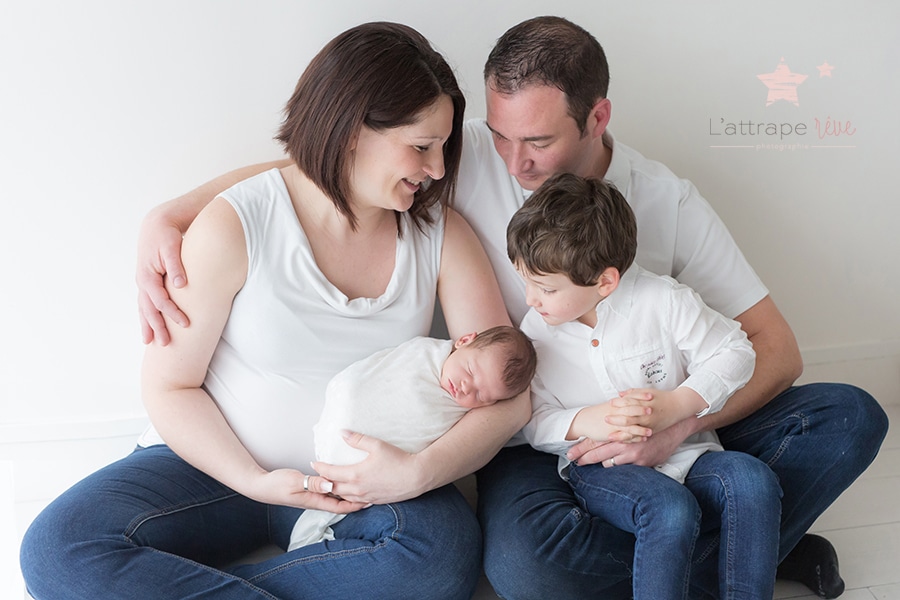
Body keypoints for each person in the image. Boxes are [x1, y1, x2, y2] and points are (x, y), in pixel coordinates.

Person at [128, 15, 888, 600]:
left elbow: (774, 348)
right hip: (545, 434)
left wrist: (678, 424)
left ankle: (717, 543)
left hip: (672, 415)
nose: (512, 162)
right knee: (523, 568)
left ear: (597, 119)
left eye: (537, 141)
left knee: (849, 415)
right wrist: (178, 209)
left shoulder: (666, 198)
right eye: (495, 135)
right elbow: (336, 161)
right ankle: (747, 552)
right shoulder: (452, 172)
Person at [19, 22, 530, 600]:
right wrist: (254, 480)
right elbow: (170, 387)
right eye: (420, 146)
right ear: (352, 130)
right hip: (214, 469)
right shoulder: (237, 223)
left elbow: (510, 395)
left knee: (438, 559)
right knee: (58, 550)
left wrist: (419, 472)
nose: (437, 170)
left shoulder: (441, 237)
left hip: (358, 483)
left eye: (443, 146)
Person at [508, 173, 781, 599]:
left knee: (751, 481)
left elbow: (735, 352)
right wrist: (588, 420)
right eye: (525, 282)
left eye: (544, 287)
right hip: (602, 468)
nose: (530, 299)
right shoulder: (536, 333)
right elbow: (533, 424)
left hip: (688, 452)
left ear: (605, 281)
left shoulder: (664, 301)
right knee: (669, 509)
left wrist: (678, 405)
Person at [289, 326, 537, 550]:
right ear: (464, 340)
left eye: (481, 395)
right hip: (305, 468)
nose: (465, 386)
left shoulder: (462, 409)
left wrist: (415, 472)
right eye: (470, 370)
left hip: (371, 483)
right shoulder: (423, 353)